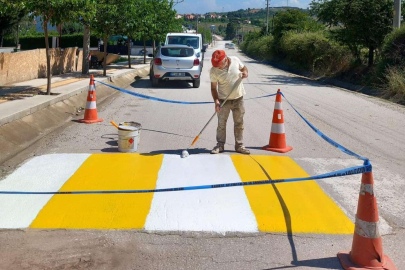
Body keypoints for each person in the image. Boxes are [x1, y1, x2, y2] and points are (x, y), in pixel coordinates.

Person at [210, 50, 250, 155]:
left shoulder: (235, 60)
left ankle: (239, 145)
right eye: (215, 65)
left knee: (239, 123)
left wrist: (245, 72)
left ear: (225, 59)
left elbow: (243, 68)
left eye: (219, 65)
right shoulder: (213, 70)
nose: (217, 67)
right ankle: (220, 145)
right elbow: (213, 88)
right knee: (221, 124)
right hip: (224, 100)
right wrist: (216, 102)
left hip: (238, 98)